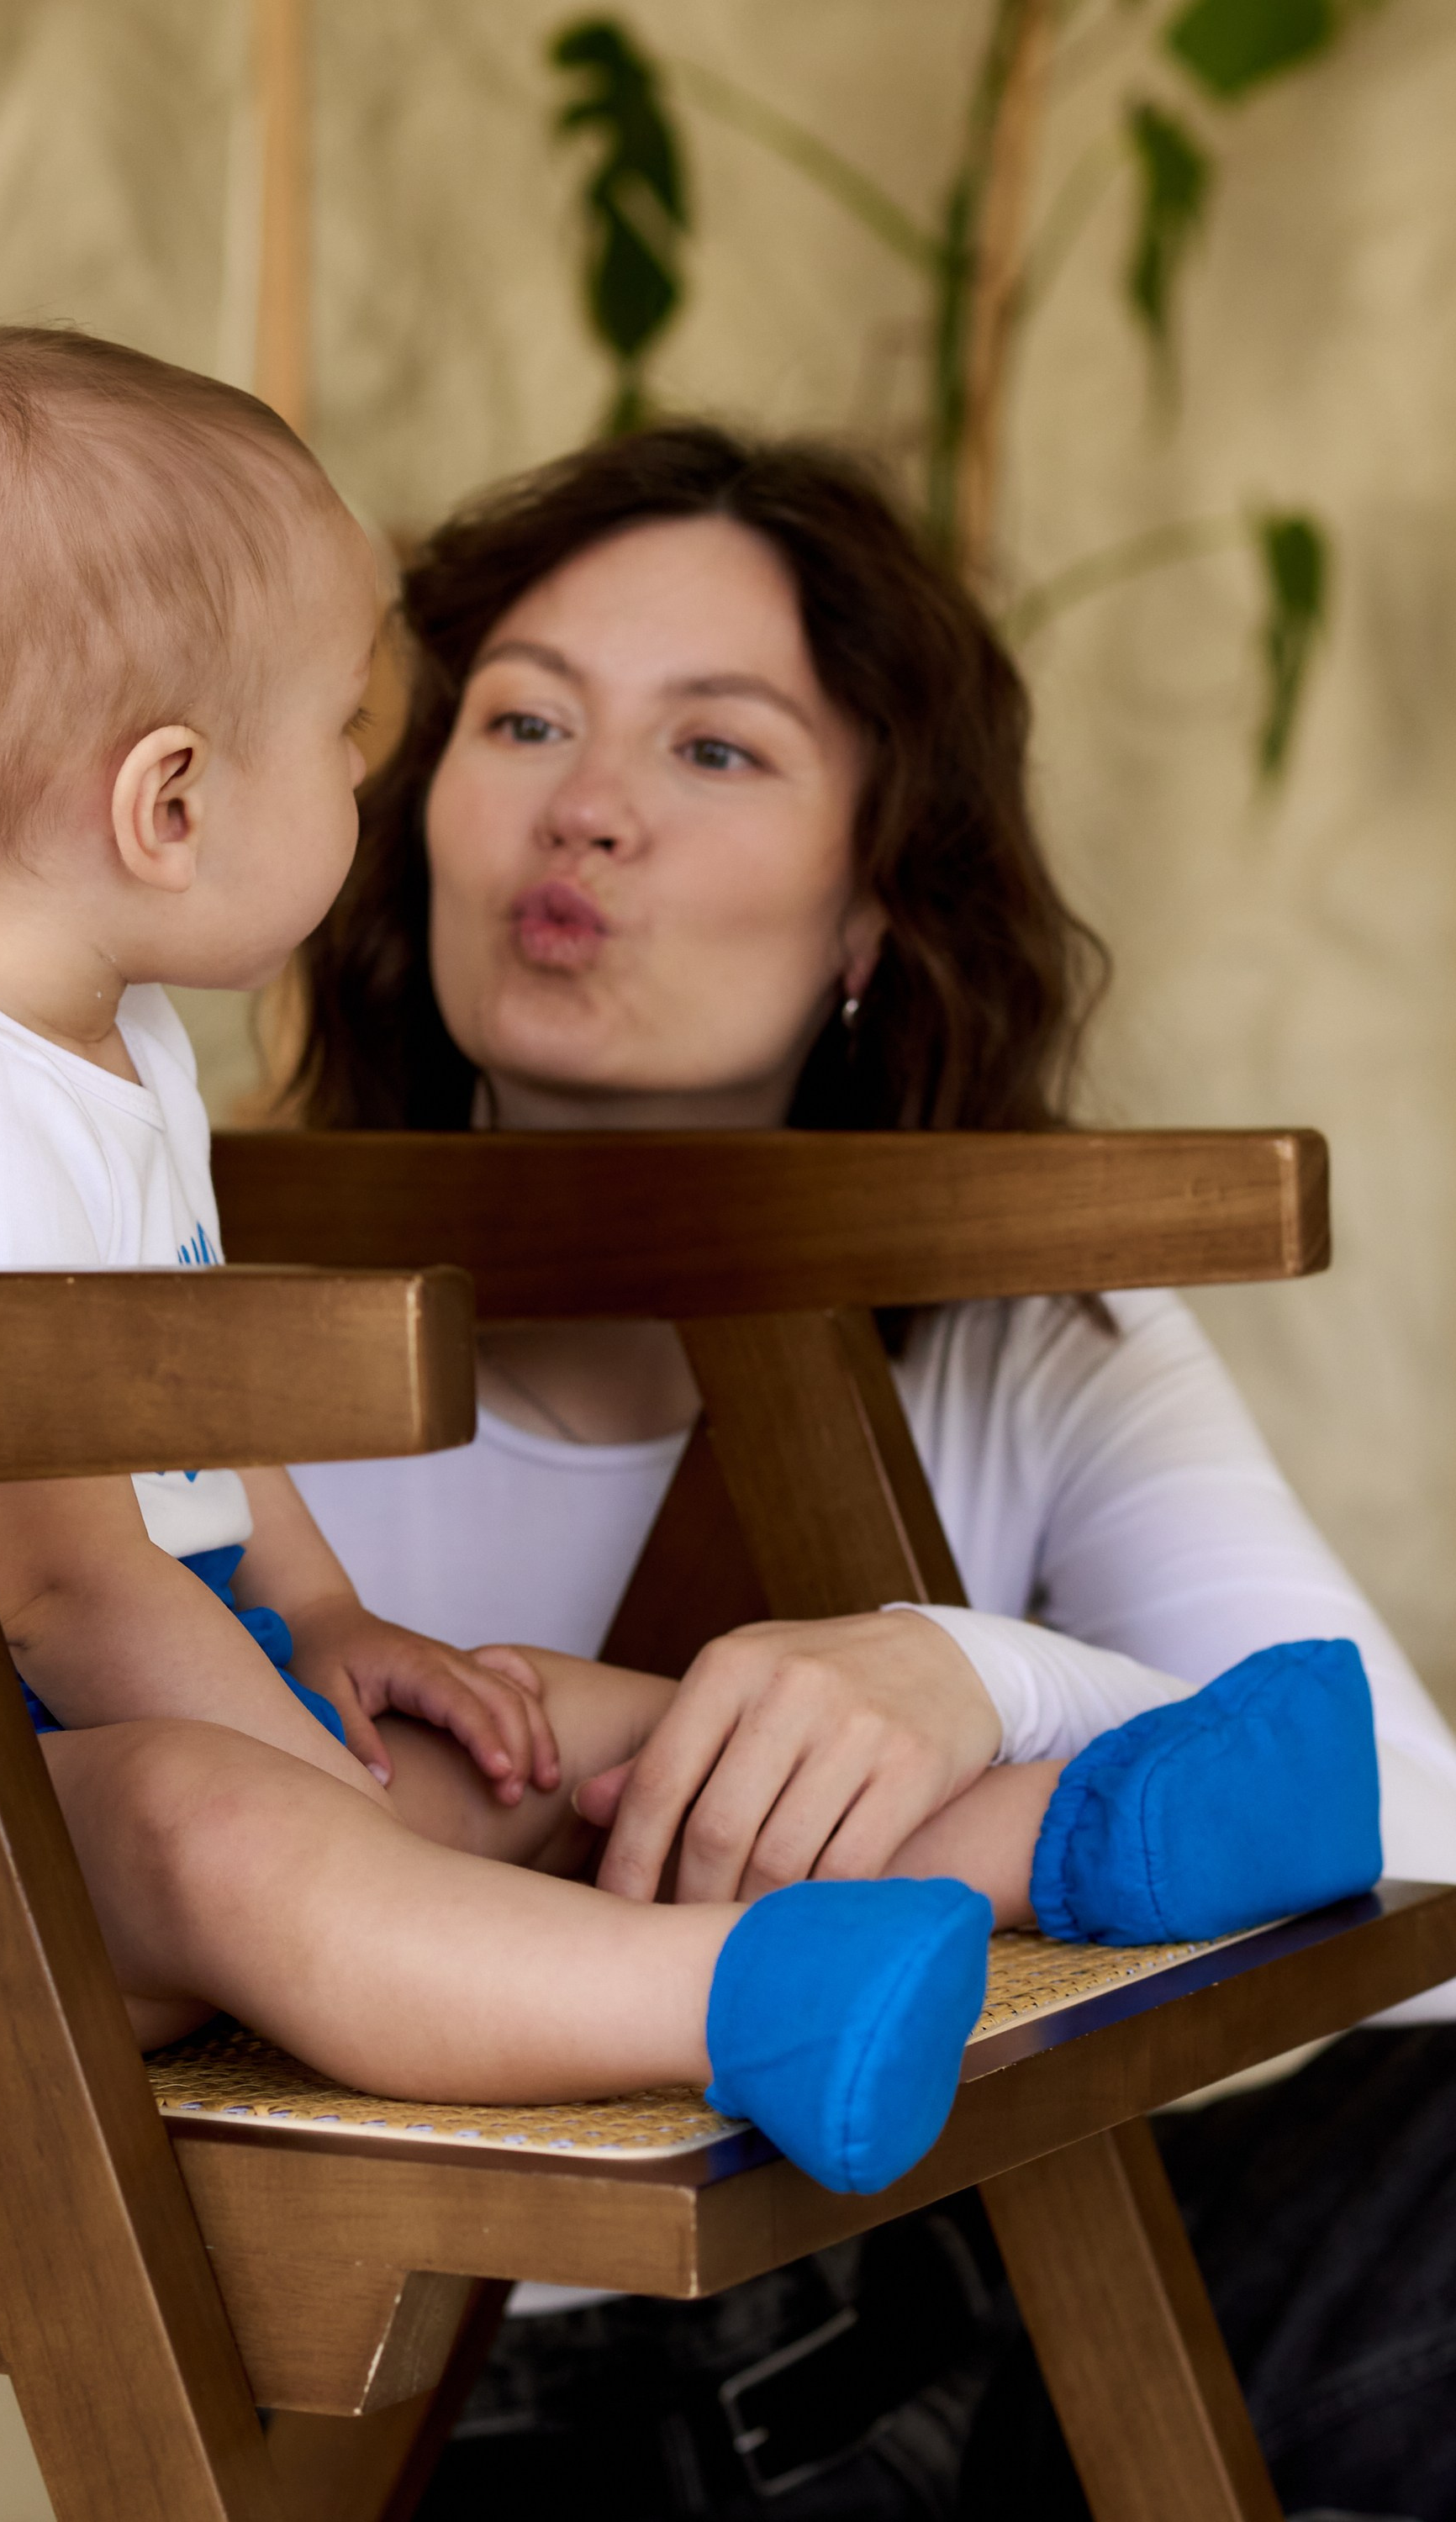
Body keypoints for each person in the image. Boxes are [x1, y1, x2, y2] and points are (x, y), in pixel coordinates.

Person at [0, 323, 1363, 2205]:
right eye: (347, 738)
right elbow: (57, 1594)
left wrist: (333, 1634)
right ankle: (736, 2002)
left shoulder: (95, 1037)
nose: (370, 789)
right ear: (171, 804)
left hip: (67, 1716)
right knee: (232, 1827)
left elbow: (189, 1408)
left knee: (560, 1716)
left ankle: (1084, 1833)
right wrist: (324, 1784)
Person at [264, 424, 1456, 2518]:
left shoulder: (1024, 1331)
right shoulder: (194, 1318)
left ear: (871, 916)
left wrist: (968, 1678)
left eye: (715, 751)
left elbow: (1419, 1837)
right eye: (524, 717)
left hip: (980, 2307)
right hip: (466, 2407)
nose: (589, 807)